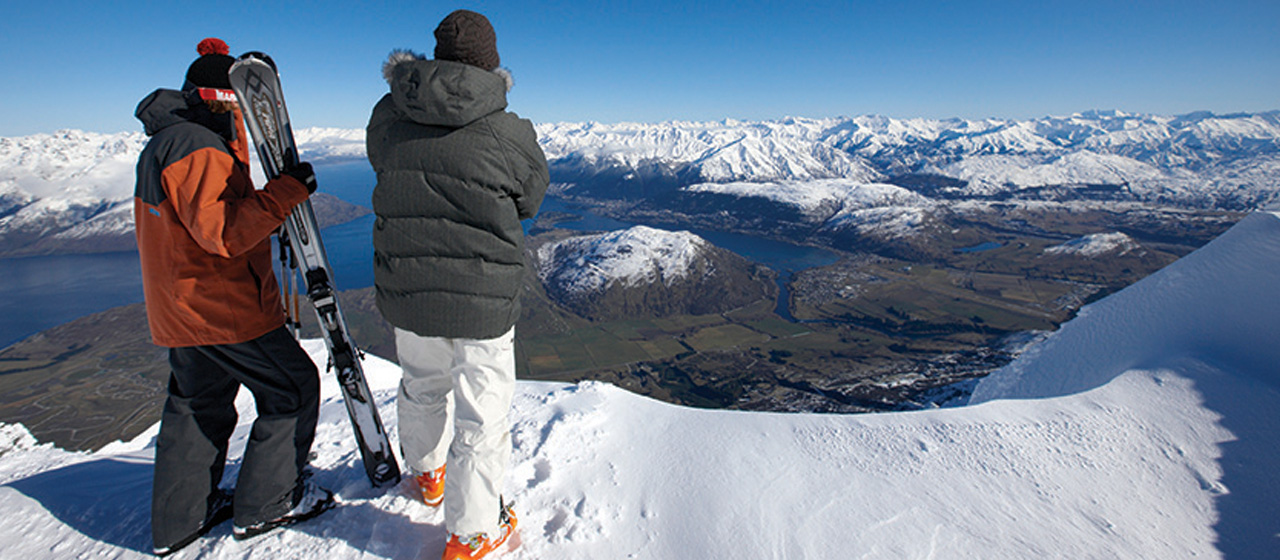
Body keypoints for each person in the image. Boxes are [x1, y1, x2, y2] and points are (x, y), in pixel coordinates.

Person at [134, 37, 334, 556]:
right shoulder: (197, 146)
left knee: (198, 404)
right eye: (240, 106)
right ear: (225, 101)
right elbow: (223, 232)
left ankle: (180, 521)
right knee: (291, 389)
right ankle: (268, 503)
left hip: (183, 306)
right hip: (222, 307)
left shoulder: (170, 141)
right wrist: (287, 191)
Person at [366, 10, 549, 560]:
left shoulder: (388, 115)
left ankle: (428, 476)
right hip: (481, 296)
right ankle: (471, 532)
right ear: (491, 65)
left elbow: (384, 166)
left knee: (421, 384)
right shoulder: (507, 131)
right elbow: (530, 198)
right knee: (481, 417)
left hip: (408, 286)